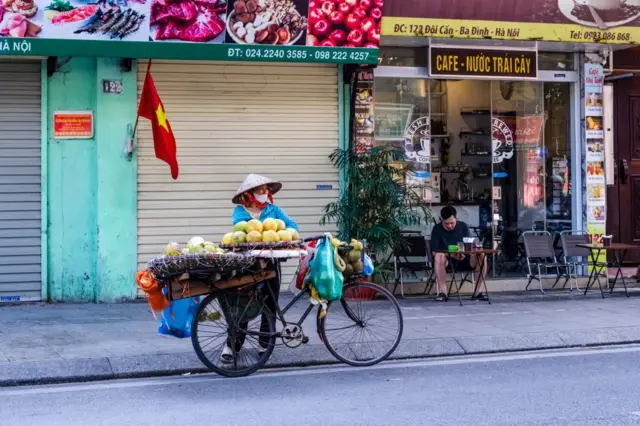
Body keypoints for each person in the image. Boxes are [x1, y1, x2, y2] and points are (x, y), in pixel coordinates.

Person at [221, 174, 299, 363]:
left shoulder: (275, 210)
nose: (264, 193)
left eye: (266, 190)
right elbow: (243, 232)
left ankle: (265, 343)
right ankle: (233, 345)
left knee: (269, 305)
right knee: (244, 304)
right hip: (246, 265)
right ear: (249, 194)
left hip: (271, 263)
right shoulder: (240, 212)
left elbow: (292, 226)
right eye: (260, 190)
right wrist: (268, 232)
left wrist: (284, 233)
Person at [430, 205, 487, 302]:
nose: (449, 226)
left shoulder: (463, 227)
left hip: (465, 258)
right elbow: (434, 252)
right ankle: (443, 292)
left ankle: (477, 291)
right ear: (442, 220)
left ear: (456, 218)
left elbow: (470, 245)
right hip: (447, 261)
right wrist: (451, 255)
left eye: (452, 223)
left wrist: (468, 252)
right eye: (446, 223)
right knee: (439, 256)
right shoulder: (437, 229)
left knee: (481, 255)